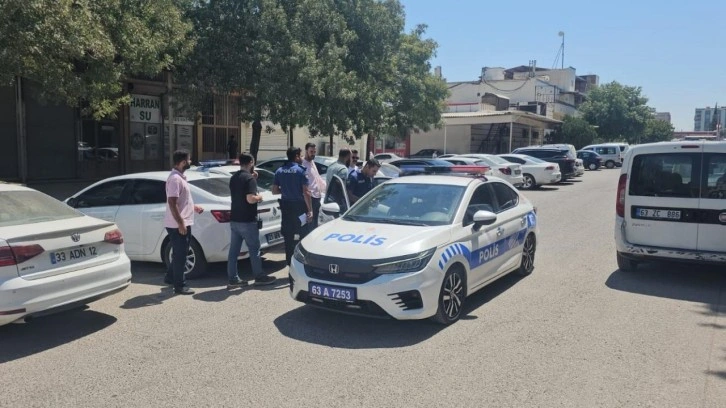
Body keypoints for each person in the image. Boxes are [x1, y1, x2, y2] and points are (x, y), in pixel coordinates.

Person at [227, 153, 276, 288]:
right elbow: (250, 199)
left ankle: (233, 279)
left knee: (233, 252)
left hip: (235, 219)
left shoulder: (234, 177)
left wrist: (253, 178)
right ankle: (259, 276)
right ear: (251, 162)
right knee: (254, 250)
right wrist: (259, 197)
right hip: (247, 220)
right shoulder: (249, 179)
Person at [164, 150, 204, 295]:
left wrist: (193, 207)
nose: (190, 161)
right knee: (181, 255)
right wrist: (180, 223)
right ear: (182, 162)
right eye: (189, 159)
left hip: (183, 222)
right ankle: (179, 286)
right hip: (178, 225)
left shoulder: (180, 178)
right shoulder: (175, 179)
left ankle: (170, 277)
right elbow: (172, 202)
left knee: (180, 253)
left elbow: (182, 200)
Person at [273, 147, 313, 266]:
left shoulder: (279, 171)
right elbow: (306, 192)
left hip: (286, 207)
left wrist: (286, 190)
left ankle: (289, 262)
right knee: (303, 234)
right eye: (300, 155)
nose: (301, 158)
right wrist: (310, 210)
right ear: (296, 156)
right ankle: (302, 263)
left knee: (288, 236)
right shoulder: (301, 170)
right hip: (299, 207)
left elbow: (274, 191)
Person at [302, 143, 326, 231]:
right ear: (306, 151)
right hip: (310, 198)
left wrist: (327, 188)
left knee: (315, 225)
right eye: (311, 151)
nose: (313, 154)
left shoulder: (312, 162)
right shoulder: (303, 164)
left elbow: (317, 178)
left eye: (314, 152)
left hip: (317, 197)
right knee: (309, 226)